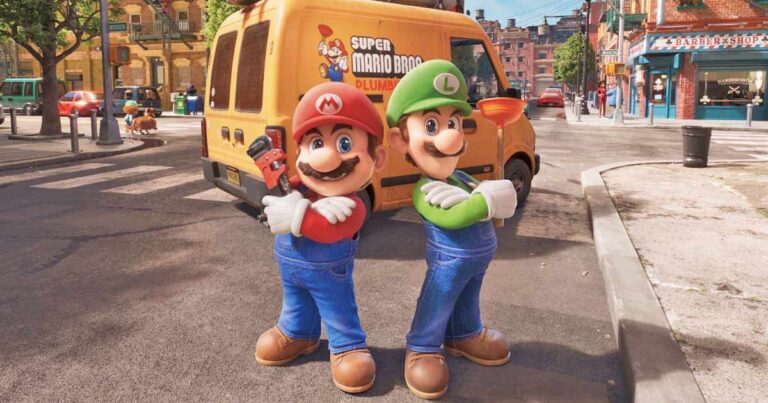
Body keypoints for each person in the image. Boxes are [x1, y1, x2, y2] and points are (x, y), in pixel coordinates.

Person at [386, 60, 518, 400]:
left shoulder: (460, 178)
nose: (451, 135)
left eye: (454, 122)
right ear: (401, 140)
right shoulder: (425, 189)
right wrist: (485, 201)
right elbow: (452, 218)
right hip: (449, 263)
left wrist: (489, 193)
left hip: (477, 261)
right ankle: (422, 346)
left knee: (468, 297)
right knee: (439, 299)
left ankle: (464, 333)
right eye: (432, 125)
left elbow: (483, 197)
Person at [257, 82, 387, 394]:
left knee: (337, 307)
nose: (325, 158)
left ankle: (348, 346)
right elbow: (280, 189)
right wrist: (274, 176)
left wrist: (298, 216)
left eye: (344, 143)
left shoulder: (352, 205)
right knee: (295, 301)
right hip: (291, 271)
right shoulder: (298, 187)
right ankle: (297, 332)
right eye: (315, 143)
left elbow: (330, 229)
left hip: (330, 275)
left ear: (377, 158)